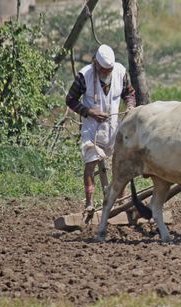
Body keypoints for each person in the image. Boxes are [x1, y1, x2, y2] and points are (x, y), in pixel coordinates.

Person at [66, 44, 136, 213]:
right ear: (95, 63)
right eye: (104, 69)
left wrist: (131, 106)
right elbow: (70, 99)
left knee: (119, 166)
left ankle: (122, 202)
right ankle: (89, 203)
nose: (107, 73)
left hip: (114, 128)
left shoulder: (120, 72)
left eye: (109, 69)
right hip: (92, 128)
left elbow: (129, 93)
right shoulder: (85, 75)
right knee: (90, 164)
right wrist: (89, 112)